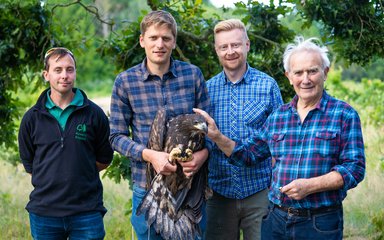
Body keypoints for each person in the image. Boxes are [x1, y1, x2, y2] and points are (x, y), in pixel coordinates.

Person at [194, 36, 366, 240]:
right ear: (289, 76)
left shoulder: (344, 114)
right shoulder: (278, 117)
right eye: (298, 72)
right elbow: (248, 155)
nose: (306, 79)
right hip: (276, 220)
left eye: (312, 71)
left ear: (325, 73)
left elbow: (354, 169)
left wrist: (310, 186)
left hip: (319, 221)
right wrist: (216, 136)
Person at [109, 10, 210, 239]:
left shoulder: (192, 76)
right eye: (153, 37)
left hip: (190, 187)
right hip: (148, 187)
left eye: (166, 38)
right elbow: (115, 136)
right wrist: (150, 155)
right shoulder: (125, 82)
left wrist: (202, 155)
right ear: (142, 40)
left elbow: (210, 129)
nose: (159, 44)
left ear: (173, 42)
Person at [18, 47, 114, 239]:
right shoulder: (31, 119)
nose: (64, 75)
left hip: (86, 212)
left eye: (70, 69)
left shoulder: (94, 114)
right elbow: (31, 164)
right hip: (45, 213)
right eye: (58, 70)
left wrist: (79, 171)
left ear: (75, 73)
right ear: (46, 75)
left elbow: (104, 158)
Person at [202, 19, 283, 240]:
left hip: (259, 191)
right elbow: (203, 142)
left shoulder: (268, 86)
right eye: (224, 47)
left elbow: (279, 143)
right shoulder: (207, 90)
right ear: (217, 51)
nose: (230, 51)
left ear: (247, 45)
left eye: (236, 45)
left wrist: (275, 188)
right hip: (219, 193)